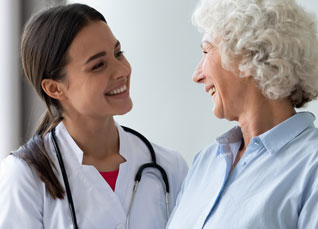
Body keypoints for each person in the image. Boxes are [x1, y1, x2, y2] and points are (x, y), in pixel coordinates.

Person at [0, 3, 188, 229]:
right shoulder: (25, 177)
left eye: (118, 53)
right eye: (98, 65)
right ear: (55, 88)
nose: (121, 70)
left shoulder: (168, 167)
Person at [167, 0, 318, 228]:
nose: (197, 75)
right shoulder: (206, 162)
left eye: (206, 51)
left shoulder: (311, 165)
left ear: (248, 55)